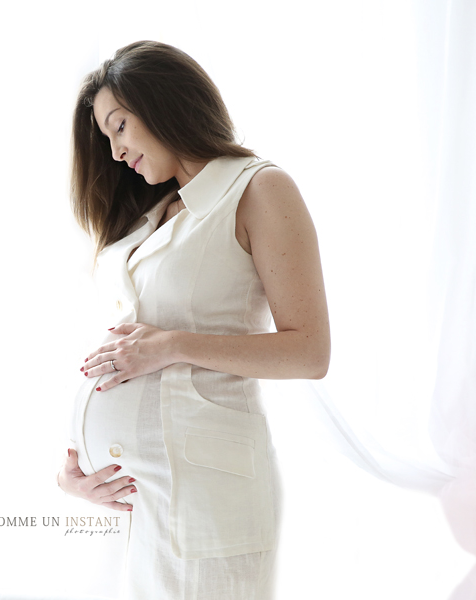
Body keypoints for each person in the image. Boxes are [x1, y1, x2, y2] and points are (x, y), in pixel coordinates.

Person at [56, 41, 331, 599]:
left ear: (163, 104)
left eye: (120, 127)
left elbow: (310, 352)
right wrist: (77, 468)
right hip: (121, 499)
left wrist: (170, 346)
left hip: (203, 495)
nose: (113, 152)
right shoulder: (151, 213)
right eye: (105, 138)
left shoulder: (256, 188)